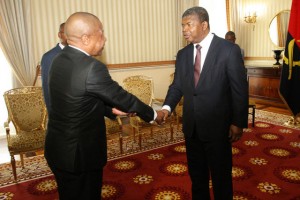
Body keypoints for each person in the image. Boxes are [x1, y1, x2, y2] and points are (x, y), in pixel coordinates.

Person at [44, 12, 164, 200]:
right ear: (85, 38)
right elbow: (122, 97)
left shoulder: (58, 59)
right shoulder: (91, 67)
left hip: (58, 149)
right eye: (101, 33)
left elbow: (75, 99)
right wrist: (153, 115)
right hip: (80, 156)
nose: (105, 39)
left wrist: (109, 110)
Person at [161, 7, 248, 200]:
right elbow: (177, 85)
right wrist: (166, 108)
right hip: (192, 129)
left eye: (188, 24)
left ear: (204, 24)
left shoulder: (228, 50)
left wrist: (238, 122)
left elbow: (239, 89)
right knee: (197, 177)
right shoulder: (183, 54)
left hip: (218, 128)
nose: (184, 29)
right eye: (182, 25)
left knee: (221, 178)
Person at [41, 22, 68, 111]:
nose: (70, 36)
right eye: (66, 33)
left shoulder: (79, 54)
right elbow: (47, 89)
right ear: (59, 35)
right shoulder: (49, 57)